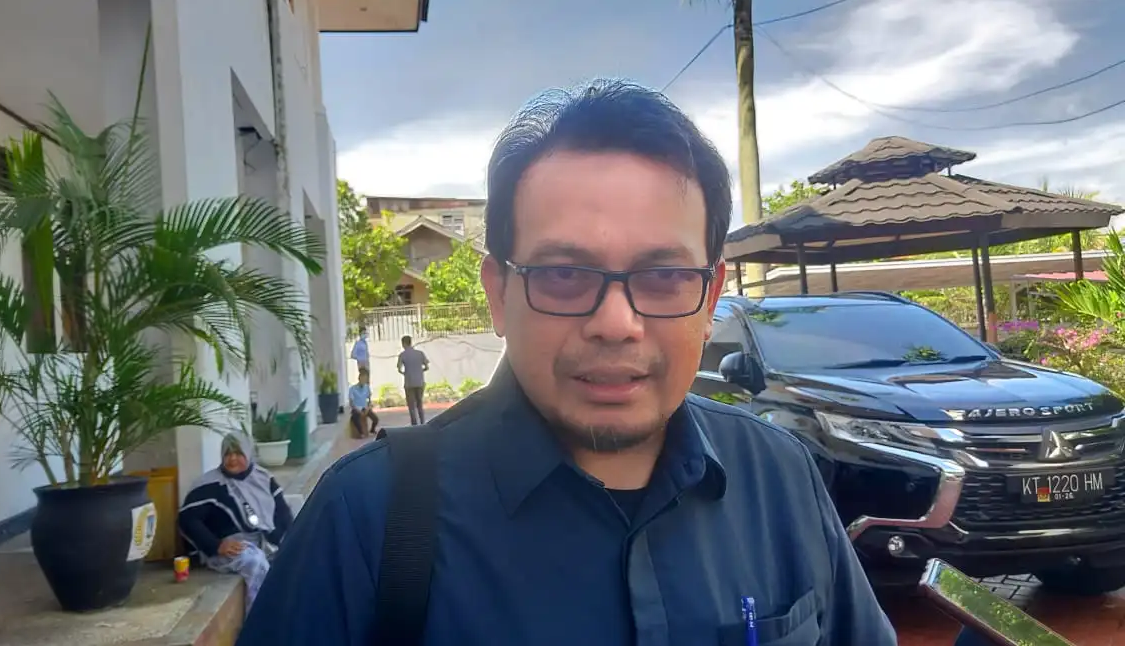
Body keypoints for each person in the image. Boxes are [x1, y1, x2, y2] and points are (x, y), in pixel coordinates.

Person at [236, 79, 898, 644]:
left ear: (710, 297)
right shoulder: (367, 520)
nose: (616, 323)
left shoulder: (780, 479)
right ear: (499, 293)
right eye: (562, 275)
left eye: (664, 276)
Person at [178, 433, 293, 614]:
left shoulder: (263, 478)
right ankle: (260, 622)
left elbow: (283, 514)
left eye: (238, 453)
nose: (232, 459)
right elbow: (187, 519)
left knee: (294, 561)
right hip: (232, 548)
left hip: (265, 542)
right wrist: (216, 545)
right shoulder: (209, 484)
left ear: (248, 453)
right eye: (227, 454)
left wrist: (282, 542)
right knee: (255, 562)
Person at [396, 334, 429, 425]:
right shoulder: (420, 353)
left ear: (403, 343)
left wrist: (405, 373)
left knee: (411, 406)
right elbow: (426, 367)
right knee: (419, 403)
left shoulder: (402, 355)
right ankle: (422, 422)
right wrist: (420, 371)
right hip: (420, 381)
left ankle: (414, 424)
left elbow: (399, 369)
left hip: (409, 382)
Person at [349, 368, 379, 438]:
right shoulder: (352, 389)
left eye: (365, 379)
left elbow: (369, 400)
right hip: (356, 408)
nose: (364, 381)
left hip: (365, 408)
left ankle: (372, 430)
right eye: (362, 379)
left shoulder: (367, 387)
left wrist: (368, 408)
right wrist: (358, 410)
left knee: (376, 419)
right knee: (354, 418)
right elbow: (351, 403)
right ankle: (361, 433)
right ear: (359, 379)